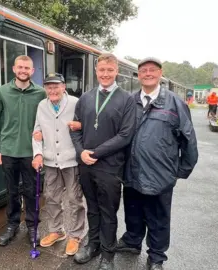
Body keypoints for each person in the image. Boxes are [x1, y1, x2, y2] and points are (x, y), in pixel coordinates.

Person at [114, 57, 199, 270]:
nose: (148, 73)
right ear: (138, 75)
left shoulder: (174, 103)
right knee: (132, 209)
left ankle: (157, 256)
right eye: (143, 70)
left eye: (152, 70)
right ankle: (132, 241)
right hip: (132, 170)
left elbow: (188, 138)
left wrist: (180, 170)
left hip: (161, 174)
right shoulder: (130, 101)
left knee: (158, 216)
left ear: (160, 74)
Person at [70, 53, 136, 270]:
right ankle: (93, 245)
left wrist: (95, 153)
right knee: (92, 208)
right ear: (96, 71)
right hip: (86, 165)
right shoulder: (86, 98)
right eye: (102, 70)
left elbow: (125, 135)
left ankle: (108, 255)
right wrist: (80, 152)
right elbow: (75, 128)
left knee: (108, 211)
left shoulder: (126, 99)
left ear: (116, 71)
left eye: (110, 70)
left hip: (110, 167)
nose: (105, 74)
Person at [0, 55, 46, 247]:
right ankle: (12, 225)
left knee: (32, 191)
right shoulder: (2, 92)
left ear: (33, 71)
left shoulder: (40, 93)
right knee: (11, 191)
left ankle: (32, 226)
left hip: (31, 152)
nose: (23, 71)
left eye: (27, 68)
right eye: (20, 67)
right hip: (7, 151)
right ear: (14, 69)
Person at [31, 73, 86, 256]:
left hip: (71, 160)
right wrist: (38, 154)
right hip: (50, 160)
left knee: (74, 199)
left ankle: (75, 235)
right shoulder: (42, 105)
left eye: (56, 86)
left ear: (64, 87)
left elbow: (85, 126)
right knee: (51, 197)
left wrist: (80, 125)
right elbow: (37, 131)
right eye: (49, 86)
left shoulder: (76, 102)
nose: (52, 90)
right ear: (45, 88)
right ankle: (57, 231)